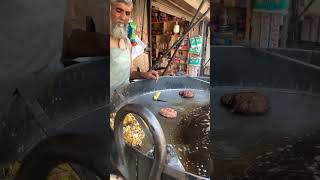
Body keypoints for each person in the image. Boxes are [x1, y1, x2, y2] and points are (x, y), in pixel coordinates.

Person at [110, 0, 159, 93]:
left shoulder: (127, 43)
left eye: (127, 13)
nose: (123, 17)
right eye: (118, 10)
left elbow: (129, 73)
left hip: (123, 98)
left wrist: (144, 75)